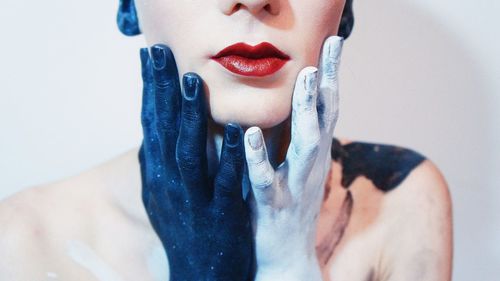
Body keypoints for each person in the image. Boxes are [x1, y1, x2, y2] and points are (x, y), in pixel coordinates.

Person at [0, 0, 452, 280]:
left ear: (347, 7)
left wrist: (288, 269)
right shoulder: (24, 240)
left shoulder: (397, 200)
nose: (253, 2)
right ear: (128, 4)